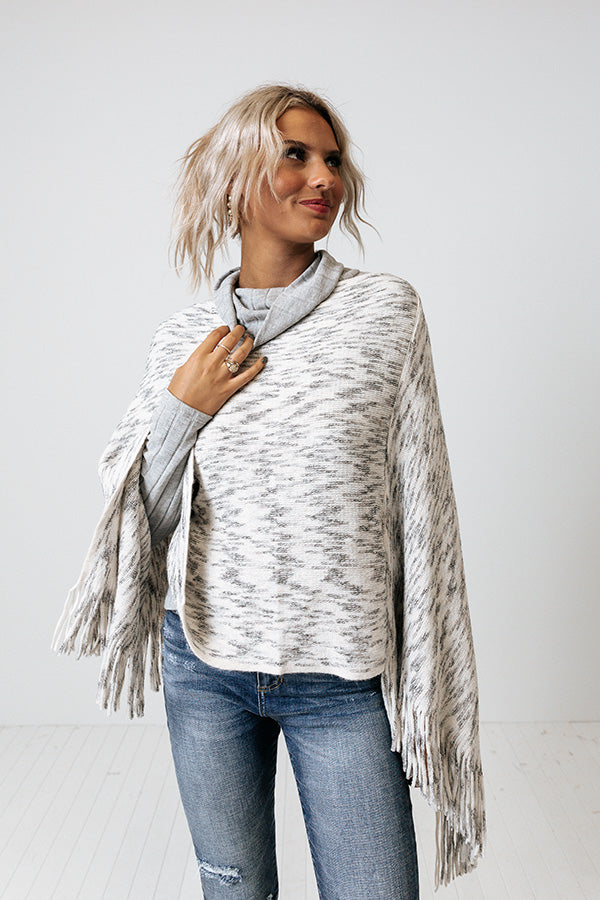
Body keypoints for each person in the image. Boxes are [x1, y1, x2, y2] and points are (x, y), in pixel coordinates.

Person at [52, 83, 486, 899]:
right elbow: (140, 524)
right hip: (203, 667)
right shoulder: (184, 340)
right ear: (234, 179)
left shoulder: (383, 312)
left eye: (333, 160)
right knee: (235, 891)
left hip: (338, 676)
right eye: (295, 155)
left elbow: (423, 498)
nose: (324, 177)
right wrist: (184, 409)